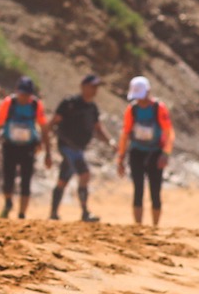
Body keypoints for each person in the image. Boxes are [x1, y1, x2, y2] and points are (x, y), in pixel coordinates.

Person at [0, 75, 54, 220]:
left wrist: (48, 153)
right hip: (10, 146)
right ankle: (8, 203)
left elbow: (44, 128)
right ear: (17, 91)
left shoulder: (36, 105)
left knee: (26, 180)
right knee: (8, 178)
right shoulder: (8, 103)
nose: (24, 97)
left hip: (28, 147)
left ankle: (22, 213)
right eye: (22, 93)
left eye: (27, 94)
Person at [50, 73, 111, 222]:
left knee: (63, 180)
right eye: (92, 86)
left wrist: (110, 142)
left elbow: (98, 128)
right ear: (83, 87)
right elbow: (53, 122)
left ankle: (53, 213)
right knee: (85, 175)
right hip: (67, 147)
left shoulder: (92, 108)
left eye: (96, 87)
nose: (95, 90)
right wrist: (45, 140)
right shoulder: (70, 103)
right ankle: (84, 213)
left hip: (78, 148)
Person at [116, 75, 175, 227]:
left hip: (155, 153)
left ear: (148, 92)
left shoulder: (159, 108)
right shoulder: (132, 110)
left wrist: (165, 154)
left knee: (155, 190)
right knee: (138, 189)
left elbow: (169, 132)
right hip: (137, 152)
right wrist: (121, 157)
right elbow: (125, 134)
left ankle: (155, 226)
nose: (140, 100)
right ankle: (138, 226)